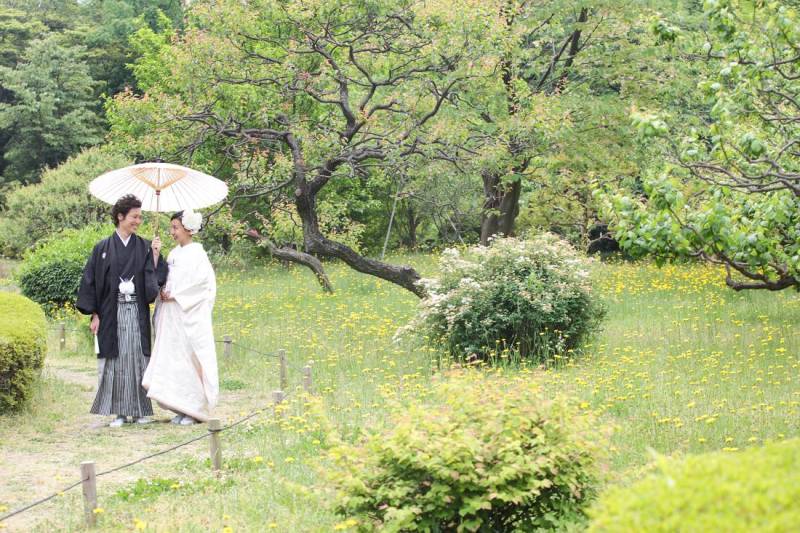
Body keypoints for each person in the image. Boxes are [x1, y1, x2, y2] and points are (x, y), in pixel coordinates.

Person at [76, 194, 166, 427]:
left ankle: (140, 411)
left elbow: (154, 281)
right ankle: (119, 413)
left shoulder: (146, 246)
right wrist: (94, 313)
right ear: (120, 216)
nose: (138, 221)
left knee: (138, 358)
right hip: (111, 313)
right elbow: (92, 282)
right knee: (115, 362)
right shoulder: (102, 248)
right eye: (134, 216)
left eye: (140, 217)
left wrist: (155, 257)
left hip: (136, 312)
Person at [143, 209, 218, 425]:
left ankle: (194, 409)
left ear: (188, 228)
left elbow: (203, 285)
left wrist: (175, 295)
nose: (172, 232)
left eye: (175, 227)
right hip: (171, 315)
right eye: (171, 227)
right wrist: (157, 260)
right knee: (173, 359)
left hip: (187, 313)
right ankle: (180, 406)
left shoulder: (197, 254)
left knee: (188, 358)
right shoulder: (174, 253)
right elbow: (165, 277)